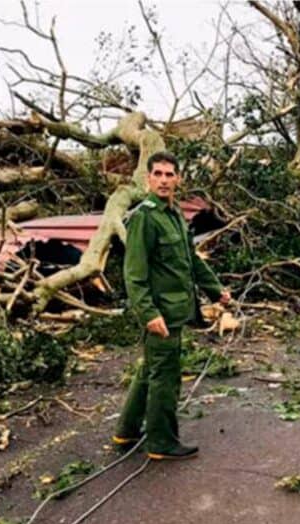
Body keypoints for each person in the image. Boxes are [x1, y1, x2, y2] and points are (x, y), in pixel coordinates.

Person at [112, 151, 231, 461]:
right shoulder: (144, 218)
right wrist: (149, 314)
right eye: (158, 174)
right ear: (148, 178)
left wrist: (216, 289)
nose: (164, 180)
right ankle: (162, 442)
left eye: (169, 174)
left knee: (152, 367)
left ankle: (125, 430)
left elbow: (191, 261)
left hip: (177, 309)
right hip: (161, 313)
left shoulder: (175, 215)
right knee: (165, 376)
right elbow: (134, 274)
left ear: (178, 178)